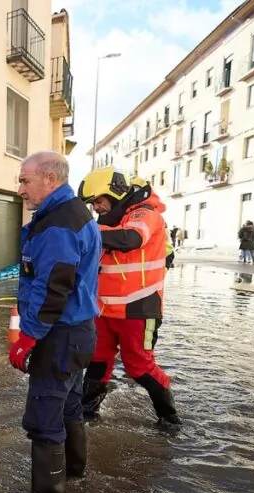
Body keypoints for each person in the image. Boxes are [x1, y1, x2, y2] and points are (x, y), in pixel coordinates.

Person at [8, 151, 100, 493]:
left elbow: (53, 289)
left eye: (25, 180)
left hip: (59, 335)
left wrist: (27, 338)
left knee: (44, 419)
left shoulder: (59, 224)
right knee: (69, 406)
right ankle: (74, 473)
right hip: (77, 333)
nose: (20, 189)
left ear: (50, 179)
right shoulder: (71, 215)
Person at [77, 168, 181, 428]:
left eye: (99, 200)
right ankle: (86, 415)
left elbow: (132, 238)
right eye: (92, 204)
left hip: (138, 307)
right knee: (98, 362)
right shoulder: (107, 223)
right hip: (104, 310)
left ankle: (169, 418)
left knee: (140, 367)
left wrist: (84, 233)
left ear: (115, 192)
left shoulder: (145, 212)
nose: (97, 207)